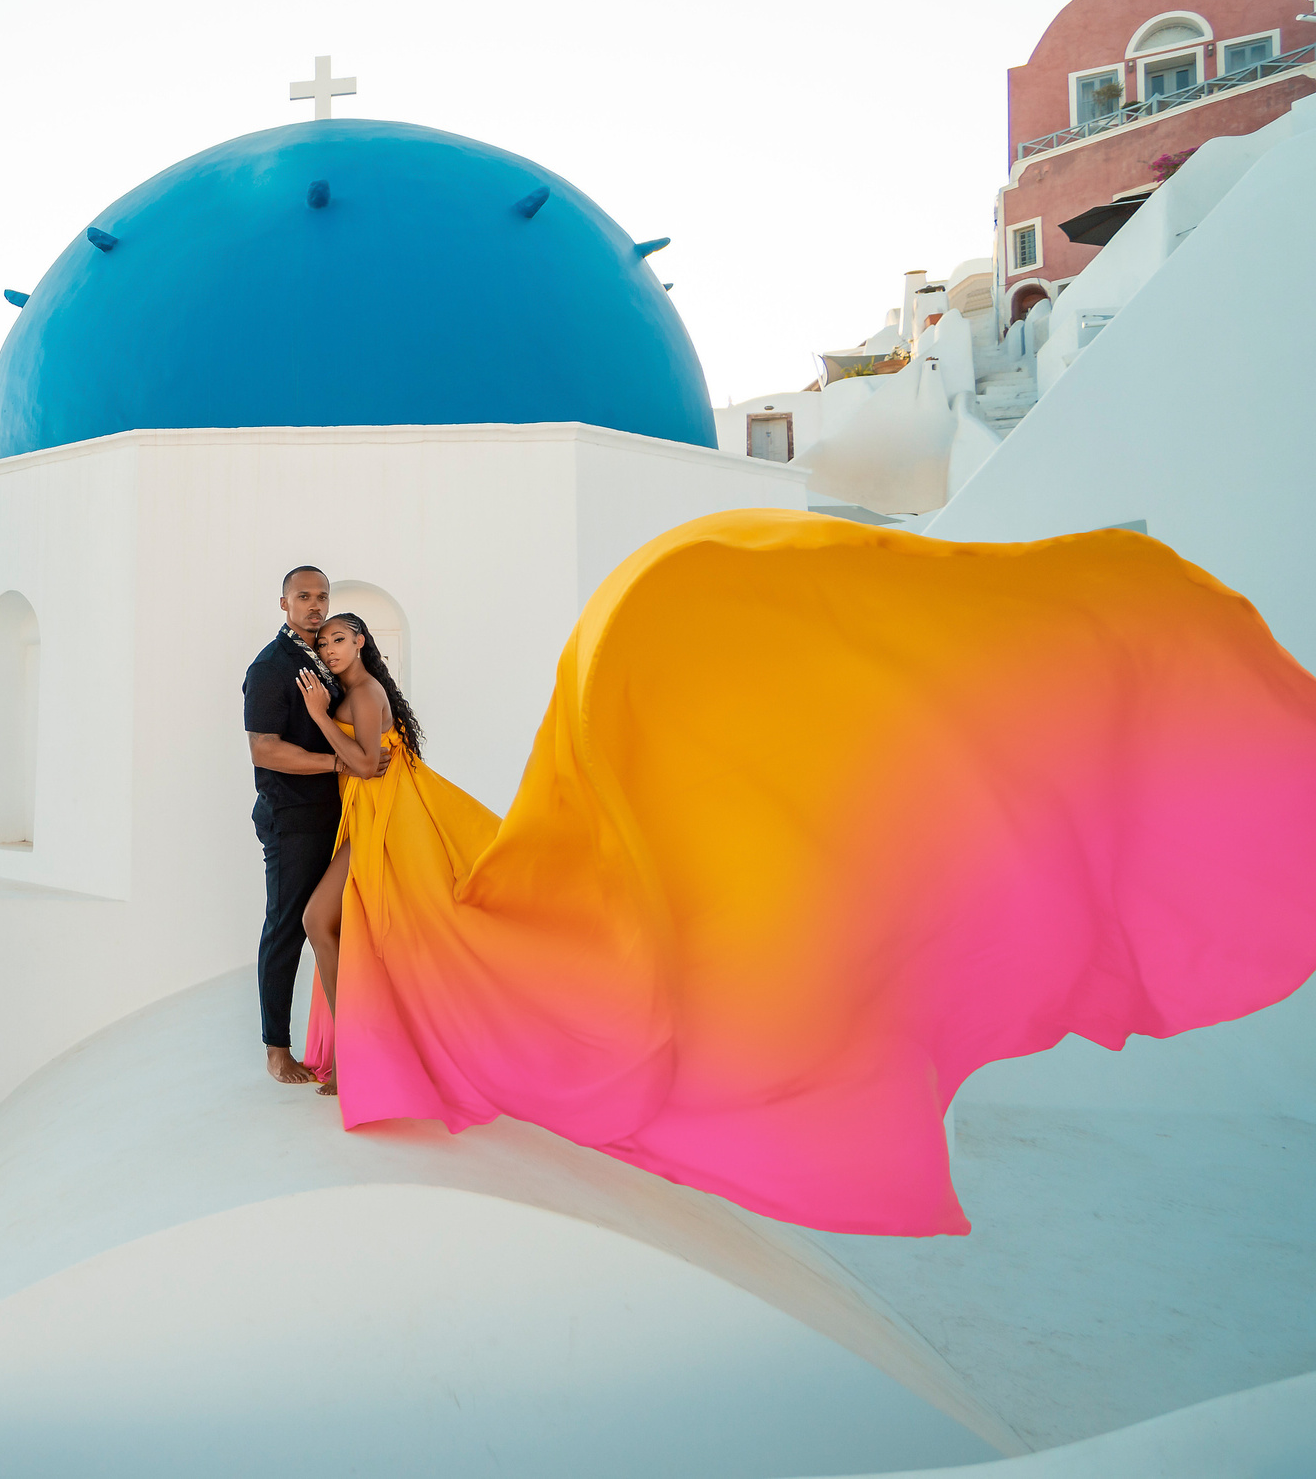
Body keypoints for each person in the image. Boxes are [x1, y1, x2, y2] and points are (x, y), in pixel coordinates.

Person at [280, 509, 1316, 1237]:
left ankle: (358, 1057)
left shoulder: (357, 698)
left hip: (391, 819)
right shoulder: (362, 687)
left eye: (345, 623)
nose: (340, 633)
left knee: (367, 927)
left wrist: (324, 714)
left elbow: (368, 763)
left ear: (362, 640)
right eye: (329, 624)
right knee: (359, 925)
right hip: (386, 827)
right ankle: (355, 1054)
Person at [241, 565, 383, 1085]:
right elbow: (265, 748)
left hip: (340, 814)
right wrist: (338, 764)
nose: (315, 604)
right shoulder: (272, 667)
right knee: (288, 926)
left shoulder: (326, 660)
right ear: (284, 603)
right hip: (291, 817)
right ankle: (277, 1048)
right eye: (303, 596)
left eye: (322, 596)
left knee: (337, 925)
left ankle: (353, 1043)